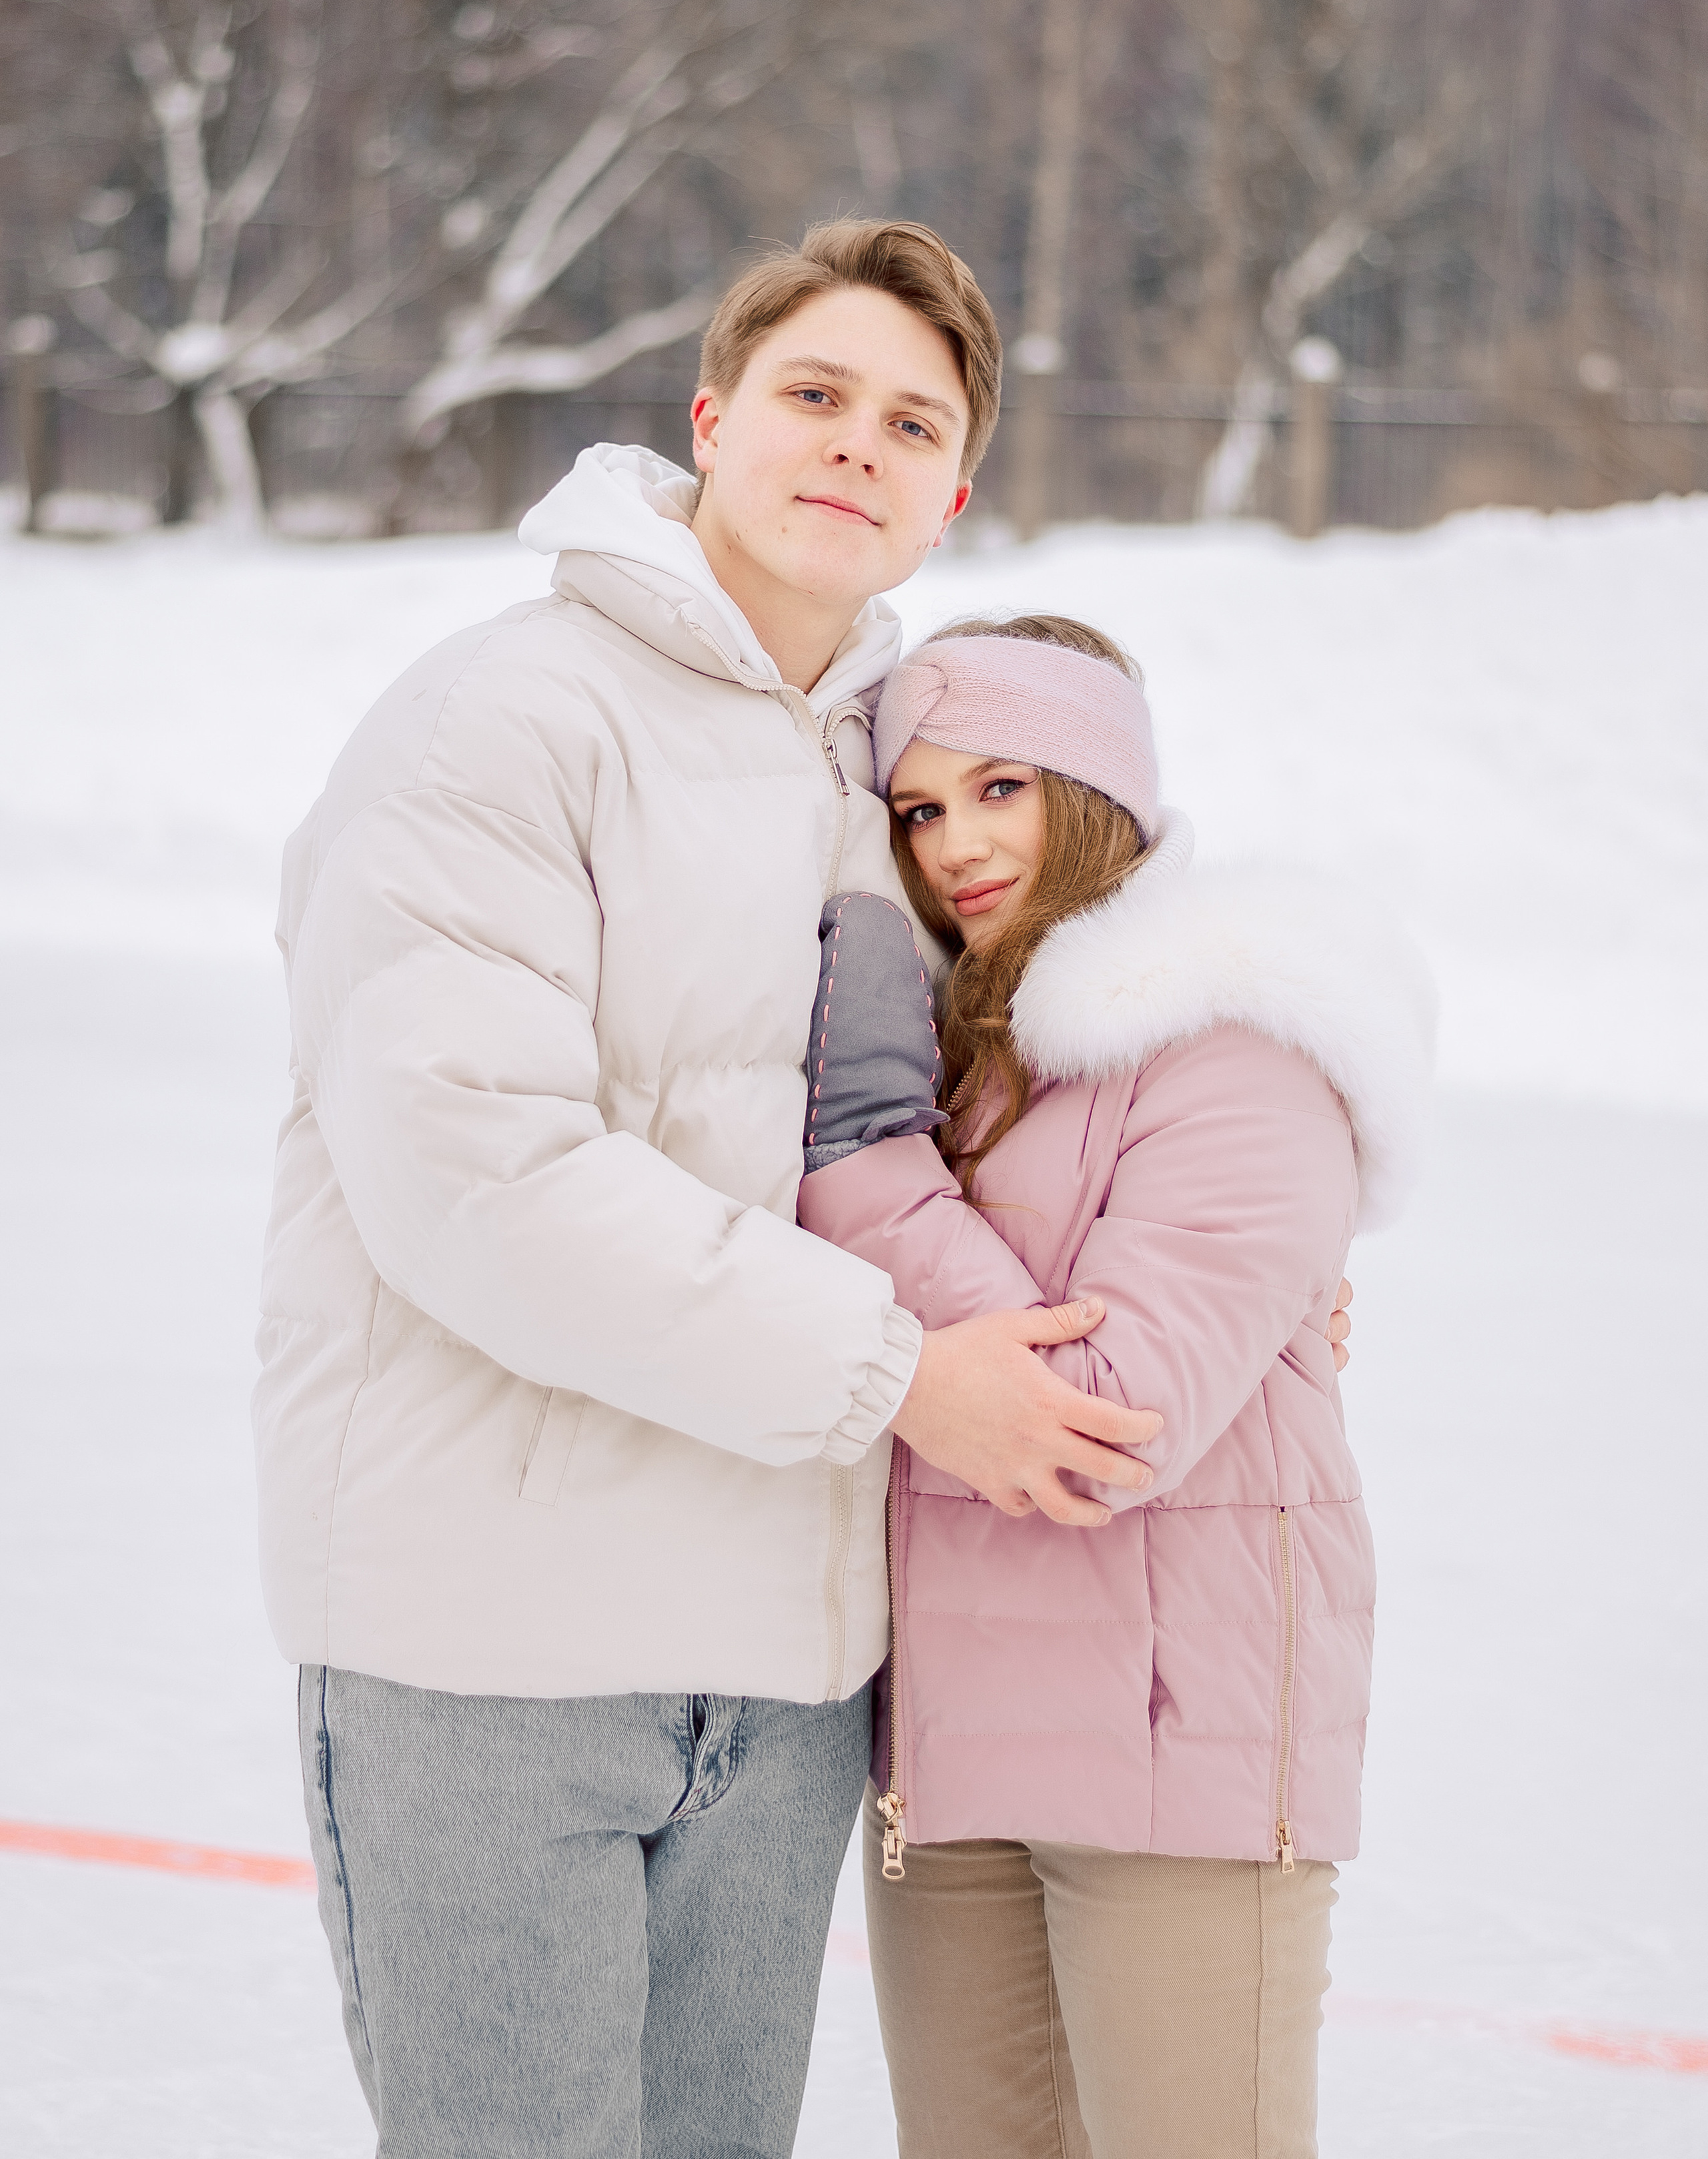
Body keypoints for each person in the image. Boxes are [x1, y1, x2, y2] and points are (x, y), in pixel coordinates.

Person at [253, 222, 1166, 2158]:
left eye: (911, 422)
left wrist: (1230, 1262)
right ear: (710, 421)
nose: (856, 444)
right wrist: (907, 1378)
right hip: (490, 1650)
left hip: (784, 1674)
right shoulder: (499, 721)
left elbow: (1024, 1093)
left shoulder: (910, 789)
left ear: (950, 500)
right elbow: (475, 1177)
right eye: (815, 396)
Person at [797, 614, 1434, 2159]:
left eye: (1000, 786)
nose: (953, 845)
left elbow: (1099, 1424)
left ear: (1097, 791)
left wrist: (863, 1165)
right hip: (948, 1761)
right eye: (919, 810)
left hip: (1175, 1765)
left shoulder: (1235, 1045)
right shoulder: (961, 1051)